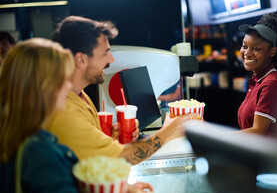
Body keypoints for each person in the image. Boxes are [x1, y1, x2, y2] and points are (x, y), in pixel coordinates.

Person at [0, 38, 151, 193]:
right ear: (45, 89)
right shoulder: (39, 152)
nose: (68, 86)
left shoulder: (17, 136)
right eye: (63, 78)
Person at [49, 16, 195, 163]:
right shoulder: (65, 112)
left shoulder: (81, 95)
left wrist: (113, 138)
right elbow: (121, 158)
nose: (111, 60)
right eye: (105, 53)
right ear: (81, 60)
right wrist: (169, 131)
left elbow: (92, 155)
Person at [237, 13, 277, 138]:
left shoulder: (271, 83)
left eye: (256, 49)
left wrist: (215, 135)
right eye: (245, 46)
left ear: (272, 51)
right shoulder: (258, 80)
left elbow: (257, 131)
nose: (247, 53)